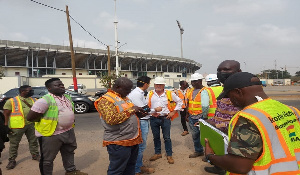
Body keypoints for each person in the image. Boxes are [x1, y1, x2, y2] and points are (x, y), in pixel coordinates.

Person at [204, 72, 300, 174]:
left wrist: (211, 157)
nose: (231, 101)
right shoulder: (291, 110)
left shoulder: (248, 118)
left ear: (238, 92)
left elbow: (240, 166)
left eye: (229, 96)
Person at [27, 78, 87, 175]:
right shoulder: (44, 100)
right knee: (47, 159)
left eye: (62, 84)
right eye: (57, 85)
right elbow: (30, 117)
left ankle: (71, 171)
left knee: (69, 152)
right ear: (49, 88)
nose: (61, 86)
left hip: (68, 131)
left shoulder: (67, 97)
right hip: (51, 134)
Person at [95, 77, 143, 175]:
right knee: (117, 170)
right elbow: (111, 119)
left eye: (130, 89)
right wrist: (132, 110)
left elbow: (128, 114)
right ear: (117, 87)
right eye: (127, 89)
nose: (129, 92)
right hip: (119, 142)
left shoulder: (124, 97)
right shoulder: (105, 100)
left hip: (132, 139)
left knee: (130, 166)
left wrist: (139, 113)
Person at [204, 60, 241, 174]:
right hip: (222, 133)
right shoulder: (224, 91)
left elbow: (240, 122)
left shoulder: (240, 93)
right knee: (220, 152)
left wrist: (217, 124)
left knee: (235, 162)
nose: (222, 72)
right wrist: (209, 122)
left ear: (238, 72)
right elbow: (220, 113)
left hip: (235, 137)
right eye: (219, 70)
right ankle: (219, 168)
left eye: (226, 69)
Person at [147, 77, 183, 164]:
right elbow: (146, 106)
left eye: (160, 84)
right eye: (157, 84)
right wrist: (152, 112)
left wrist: (173, 112)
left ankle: (169, 154)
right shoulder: (150, 94)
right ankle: (158, 153)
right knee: (156, 137)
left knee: (167, 137)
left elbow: (180, 101)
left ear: (164, 85)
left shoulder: (169, 93)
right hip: (153, 118)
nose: (158, 86)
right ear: (154, 85)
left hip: (165, 118)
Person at [3, 85, 39, 170]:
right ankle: (12, 160)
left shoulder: (34, 100)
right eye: (29, 90)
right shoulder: (11, 101)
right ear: (23, 91)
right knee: (14, 144)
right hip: (16, 126)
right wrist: (6, 126)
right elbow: (6, 114)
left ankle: (35, 155)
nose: (32, 92)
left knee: (33, 141)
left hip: (31, 125)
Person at [128, 76, 155, 175]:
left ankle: (138, 166)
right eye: (149, 83)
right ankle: (137, 169)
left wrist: (149, 110)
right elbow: (143, 110)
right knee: (140, 146)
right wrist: (154, 110)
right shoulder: (136, 94)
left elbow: (145, 108)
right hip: (141, 121)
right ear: (146, 84)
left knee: (141, 145)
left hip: (143, 120)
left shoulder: (139, 93)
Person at [185, 73, 207, 158]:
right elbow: (188, 102)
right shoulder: (190, 91)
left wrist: (205, 117)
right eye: (192, 82)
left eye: (195, 81)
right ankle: (198, 151)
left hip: (202, 116)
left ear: (200, 81)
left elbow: (206, 105)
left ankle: (208, 154)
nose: (193, 83)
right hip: (192, 116)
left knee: (205, 136)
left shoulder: (205, 90)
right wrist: (187, 114)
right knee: (195, 135)